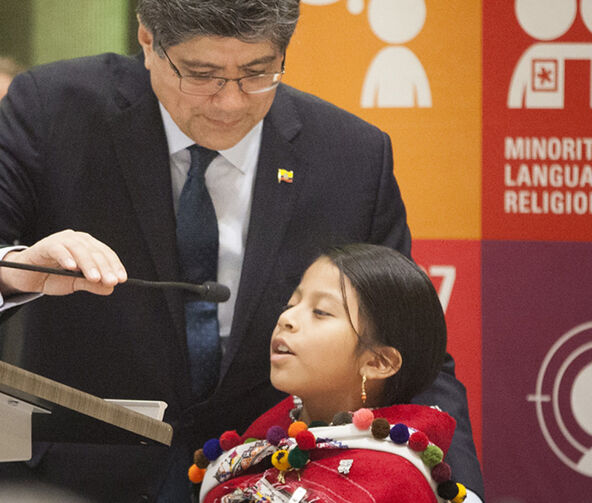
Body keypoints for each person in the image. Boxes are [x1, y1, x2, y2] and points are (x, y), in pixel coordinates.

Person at [0, 1, 484, 501]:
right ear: (147, 41)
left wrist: (457, 489)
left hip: (269, 473)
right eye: (201, 74)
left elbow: (411, 351)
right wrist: (16, 270)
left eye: (257, 73)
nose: (230, 103)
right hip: (77, 474)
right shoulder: (52, 109)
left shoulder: (351, 158)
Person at [191, 243, 467, 502]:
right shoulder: (258, 444)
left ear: (377, 362)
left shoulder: (392, 480)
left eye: (320, 312)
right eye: (290, 304)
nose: (286, 319)